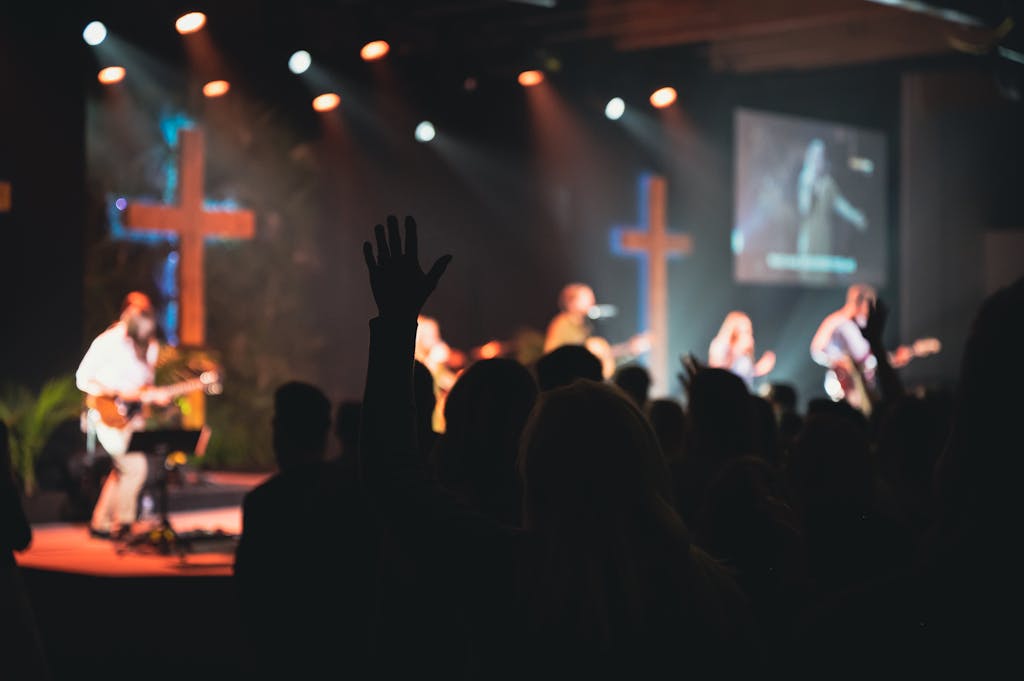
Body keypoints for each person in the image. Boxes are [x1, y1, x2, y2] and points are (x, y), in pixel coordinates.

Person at [359, 215, 760, 679]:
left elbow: (393, 479)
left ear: (532, 465)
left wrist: (395, 323)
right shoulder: (712, 591)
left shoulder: (514, 573)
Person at [234, 381, 376, 678]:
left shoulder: (265, 502)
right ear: (326, 432)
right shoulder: (355, 493)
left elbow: (250, 591)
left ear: (278, 430)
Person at [76, 291, 168, 539]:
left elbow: (144, 386)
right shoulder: (109, 341)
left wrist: (153, 398)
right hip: (106, 415)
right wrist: (115, 393)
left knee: (123, 469)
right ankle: (124, 524)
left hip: (132, 418)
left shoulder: (150, 345)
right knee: (134, 467)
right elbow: (82, 378)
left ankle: (101, 522)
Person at [809, 284, 911, 413]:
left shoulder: (865, 325)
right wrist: (838, 363)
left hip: (864, 388)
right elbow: (816, 350)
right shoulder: (836, 321)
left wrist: (891, 358)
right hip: (843, 387)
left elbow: (867, 359)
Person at [796, 138, 868, 281]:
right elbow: (803, 209)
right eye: (815, 156)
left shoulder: (828, 183)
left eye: (821, 156)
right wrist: (809, 185)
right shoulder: (805, 180)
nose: (818, 160)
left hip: (824, 238)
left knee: (821, 279)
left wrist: (857, 217)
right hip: (808, 239)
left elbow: (841, 205)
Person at [544, 283, 649, 379]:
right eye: (587, 298)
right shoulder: (562, 324)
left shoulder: (588, 325)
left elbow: (603, 355)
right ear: (572, 302)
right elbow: (552, 354)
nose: (592, 301)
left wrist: (629, 349)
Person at [707, 311, 776, 390]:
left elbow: (742, 376)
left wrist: (760, 368)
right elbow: (717, 372)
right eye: (745, 332)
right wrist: (737, 351)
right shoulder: (720, 345)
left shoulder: (743, 355)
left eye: (750, 332)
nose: (749, 336)